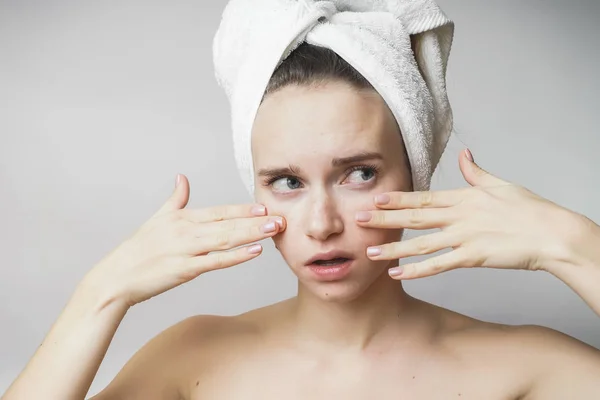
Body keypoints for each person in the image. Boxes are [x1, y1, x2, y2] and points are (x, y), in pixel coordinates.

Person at [3, 3, 600, 400]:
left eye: (359, 173)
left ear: (415, 176)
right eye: (286, 182)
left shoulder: (522, 370)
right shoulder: (192, 359)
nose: (320, 224)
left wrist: (577, 247)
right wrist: (101, 292)